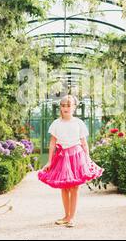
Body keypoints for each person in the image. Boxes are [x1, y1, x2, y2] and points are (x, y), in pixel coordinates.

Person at [38, 95, 104, 228]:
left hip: (76, 156)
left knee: (74, 187)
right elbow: (52, 143)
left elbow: (84, 143)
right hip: (62, 157)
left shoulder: (78, 123)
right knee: (64, 187)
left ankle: (72, 217)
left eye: (68, 105)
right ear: (60, 108)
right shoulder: (56, 124)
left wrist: (88, 159)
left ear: (74, 107)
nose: (65, 108)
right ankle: (66, 215)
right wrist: (49, 161)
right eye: (63, 106)